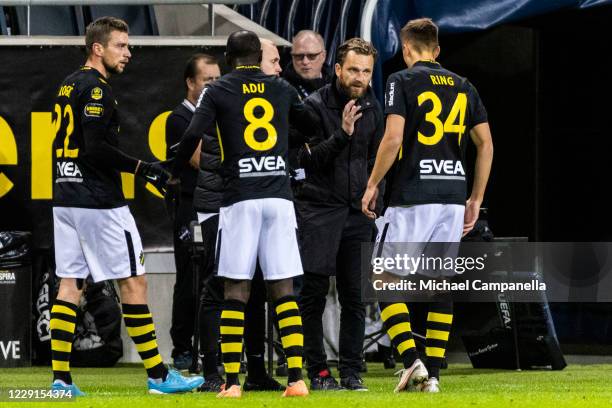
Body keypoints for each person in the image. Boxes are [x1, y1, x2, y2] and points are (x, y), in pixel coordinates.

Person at [49, 16, 203, 395]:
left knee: (70, 284)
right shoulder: (97, 89)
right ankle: (158, 376)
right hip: (98, 201)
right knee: (133, 280)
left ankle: (60, 380)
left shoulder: (68, 84)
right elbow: (96, 148)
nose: (128, 53)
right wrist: (142, 168)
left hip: (64, 196)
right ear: (97, 48)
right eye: (121, 45)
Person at [169, 30, 312, 398]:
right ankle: (297, 379)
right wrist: (280, 142)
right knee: (283, 288)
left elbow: (193, 134)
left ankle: (232, 382)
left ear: (229, 58)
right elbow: (311, 124)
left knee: (236, 288)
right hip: (279, 197)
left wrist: (173, 163)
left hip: (239, 198)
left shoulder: (217, 90)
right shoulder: (280, 88)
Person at [361, 18, 494, 393]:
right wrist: (476, 197)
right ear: (437, 51)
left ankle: (411, 362)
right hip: (452, 197)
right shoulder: (464, 86)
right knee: (438, 285)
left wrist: (373, 184)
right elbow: (486, 144)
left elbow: (393, 137)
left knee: (385, 280)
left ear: (406, 49)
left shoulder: (400, 81)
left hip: (412, 196)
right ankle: (433, 376)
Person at [193, 40, 285, 393]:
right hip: (222, 203)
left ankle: (257, 370)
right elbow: (201, 151)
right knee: (221, 286)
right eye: (273, 61)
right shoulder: (226, 95)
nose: (278, 68)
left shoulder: (252, 97)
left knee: (257, 287)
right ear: (253, 62)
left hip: (246, 199)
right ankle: (214, 371)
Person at [294, 38, 383, 391]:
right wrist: (343, 135)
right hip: (318, 209)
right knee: (313, 294)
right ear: (338, 70)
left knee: (355, 297)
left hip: (358, 214)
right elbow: (306, 160)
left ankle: (351, 370)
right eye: (354, 70)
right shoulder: (313, 106)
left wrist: (376, 197)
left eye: (366, 72)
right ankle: (317, 370)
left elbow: (379, 160)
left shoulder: (373, 107)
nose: (360, 78)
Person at [165, 53, 220, 370]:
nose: (213, 85)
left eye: (217, 80)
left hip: (215, 205)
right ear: (190, 82)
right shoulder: (178, 119)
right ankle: (182, 347)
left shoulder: (216, 116)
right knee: (189, 278)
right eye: (207, 80)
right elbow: (200, 160)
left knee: (213, 279)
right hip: (189, 207)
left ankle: (211, 345)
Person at [283, 30, 331, 99]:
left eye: (312, 56)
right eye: (299, 56)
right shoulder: (282, 89)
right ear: (292, 57)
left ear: (323, 56)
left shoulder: (338, 85)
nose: (305, 62)